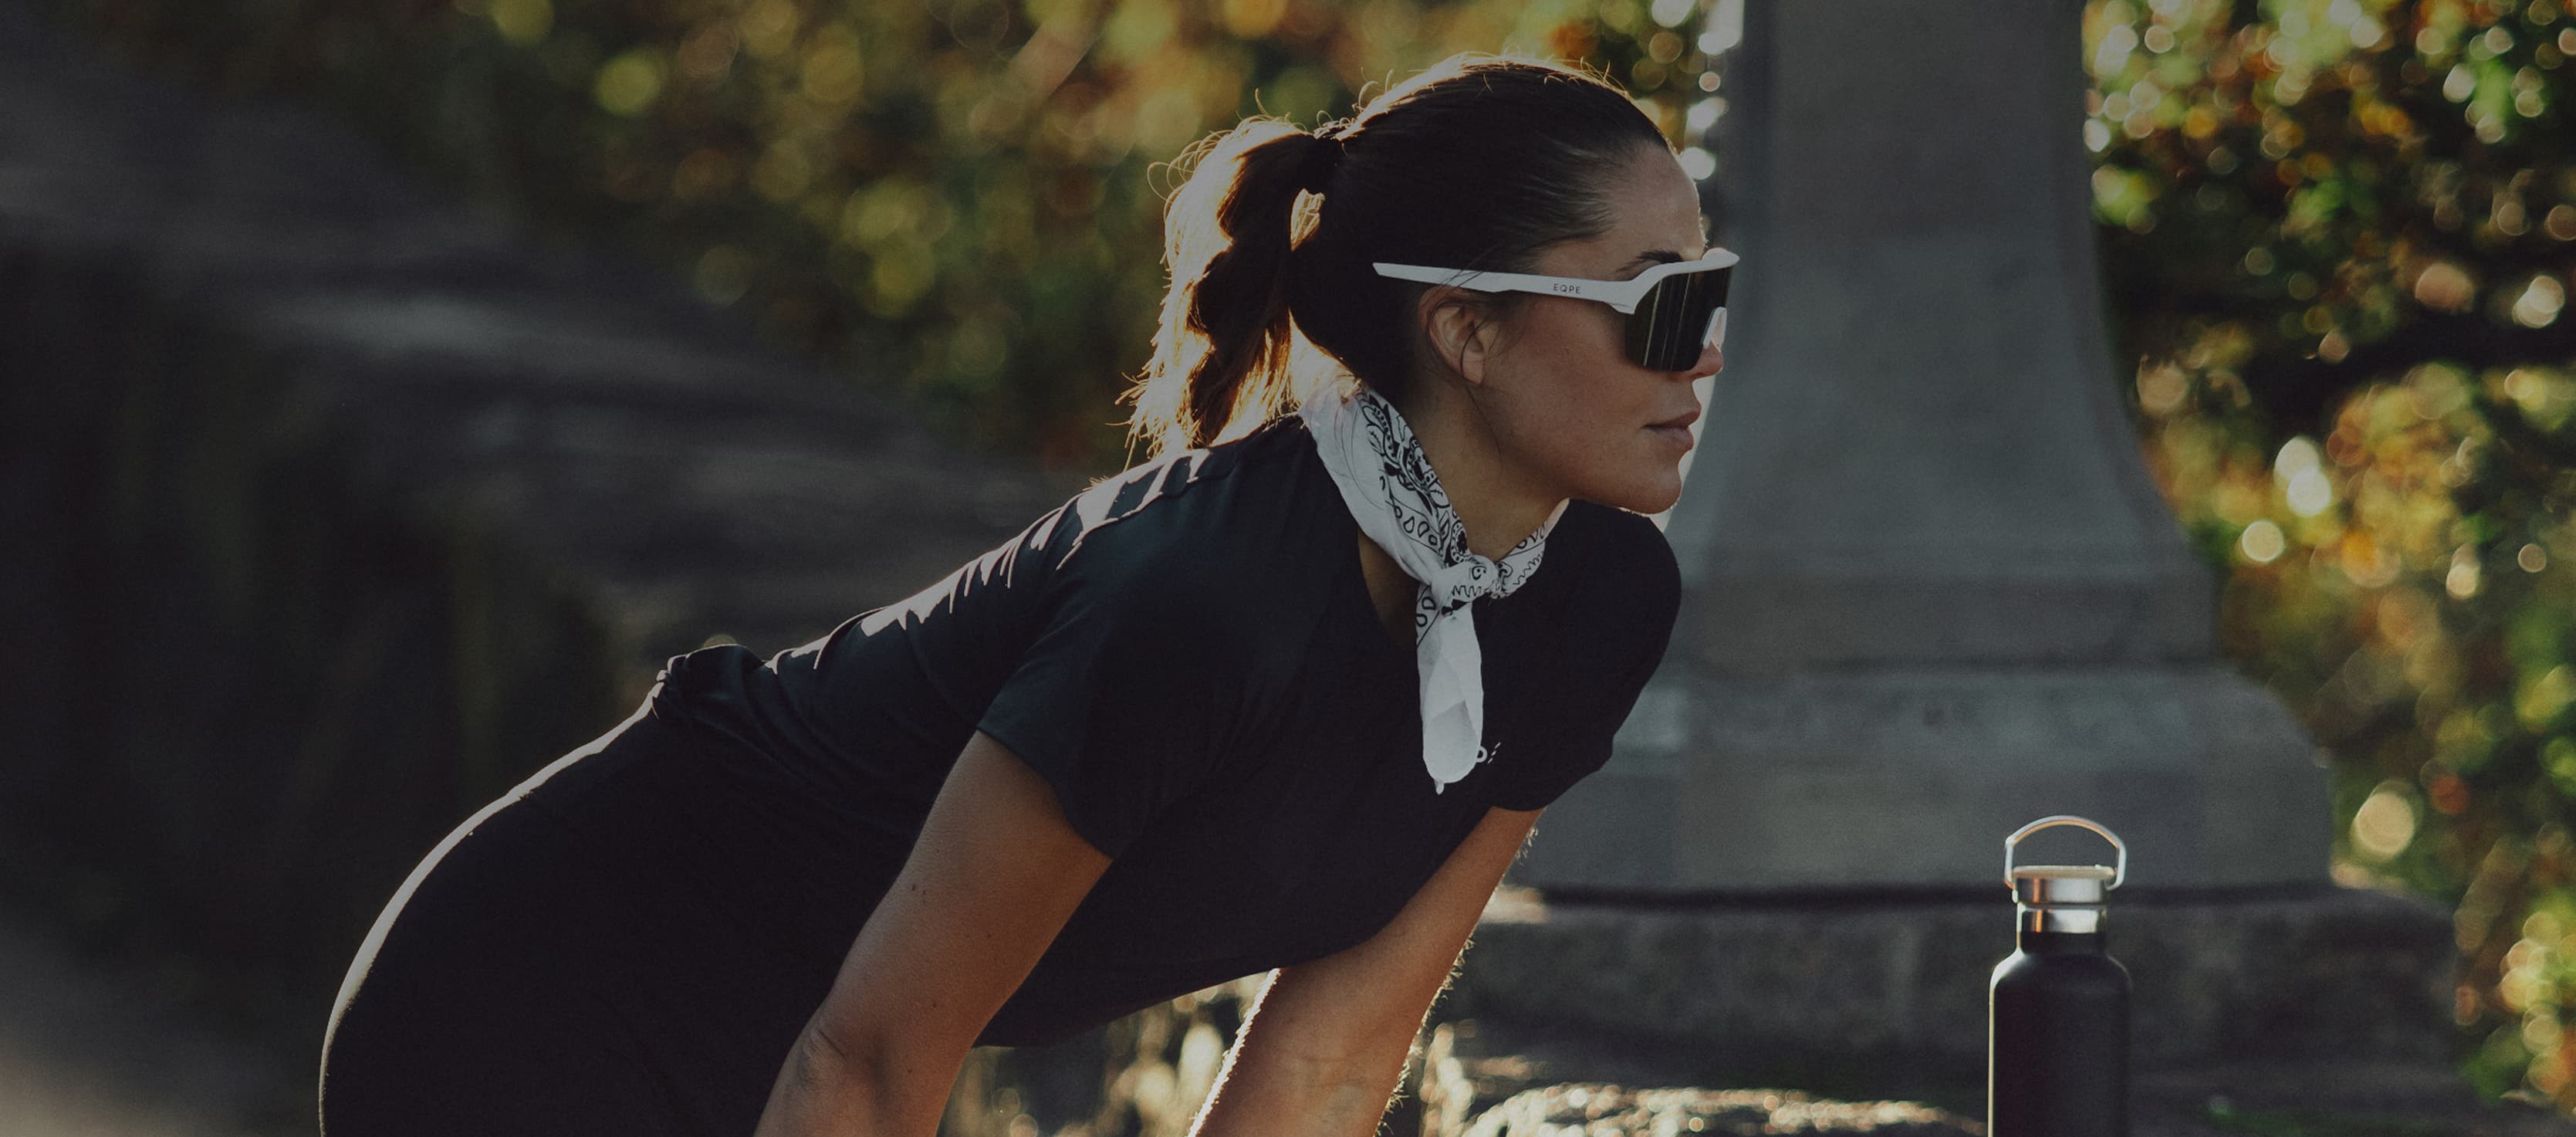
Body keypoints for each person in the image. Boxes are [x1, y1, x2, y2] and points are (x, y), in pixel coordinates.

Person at [316, 51, 1730, 1137]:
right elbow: (867, 1062)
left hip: (825, 1054)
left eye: (1715, 294)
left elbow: (1328, 1059)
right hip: (554, 997)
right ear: (1467, 329)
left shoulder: (1597, 606)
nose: (1707, 357)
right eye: (1662, 306)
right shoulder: (1200, 606)